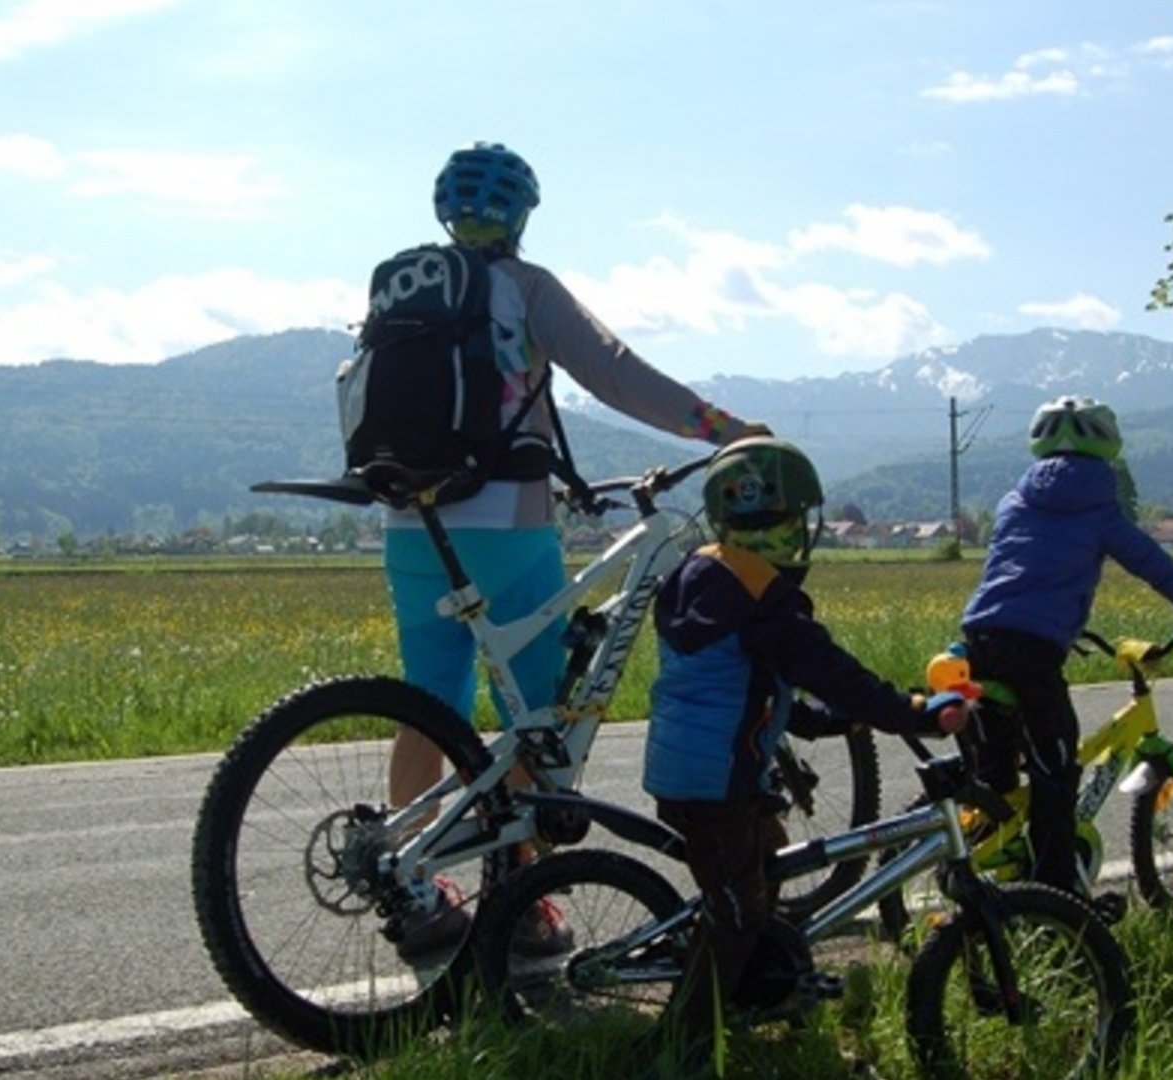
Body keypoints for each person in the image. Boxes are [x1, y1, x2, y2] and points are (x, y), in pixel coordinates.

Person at [384, 143, 769, 956]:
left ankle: (414, 888)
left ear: (442, 212)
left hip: (408, 521)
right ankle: (522, 897)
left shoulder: (402, 287)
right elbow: (614, 372)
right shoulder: (524, 287)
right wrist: (722, 429)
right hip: (504, 522)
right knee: (535, 717)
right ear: (521, 216)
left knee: (429, 702)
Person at [643, 436, 969, 1056]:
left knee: (762, 877)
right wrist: (915, 714)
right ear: (800, 526)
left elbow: (752, 685)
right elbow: (832, 671)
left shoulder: (703, 576)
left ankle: (757, 997)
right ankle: (680, 1045)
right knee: (737, 915)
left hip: (702, 770)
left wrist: (827, 723)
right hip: (714, 784)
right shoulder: (765, 602)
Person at [960, 395, 1173, 913]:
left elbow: (1012, 573)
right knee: (1056, 775)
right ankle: (1056, 898)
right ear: (1107, 445)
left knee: (996, 768)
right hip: (1034, 652)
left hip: (979, 640)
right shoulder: (1098, 508)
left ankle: (989, 865)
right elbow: (1155, 566)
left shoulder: (1011, 502)